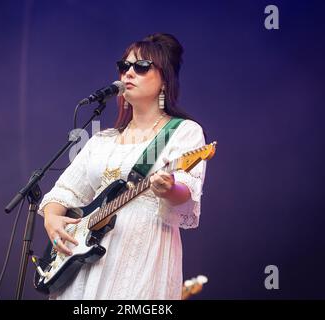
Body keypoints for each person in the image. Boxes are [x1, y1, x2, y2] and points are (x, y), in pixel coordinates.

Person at [38, 33, 207, 299]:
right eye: (124, 66)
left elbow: (188, 190)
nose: (128, 73)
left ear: (165, 80)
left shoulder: (183, 132)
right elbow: (64, 192)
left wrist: (170, 187)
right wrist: (52, 219)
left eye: (141, 67)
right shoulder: (103, 140)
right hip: (86, 259)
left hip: (141, 256)